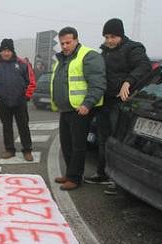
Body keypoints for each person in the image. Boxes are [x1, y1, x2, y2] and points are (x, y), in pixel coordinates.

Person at [84, 18, 151, 195]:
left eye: (112, 36)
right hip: (104, 102)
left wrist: (128, 82)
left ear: (120, 35)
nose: (109, 40)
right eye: (106, 37)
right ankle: (102, 173)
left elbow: (144, 66)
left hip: (122, 104)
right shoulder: (104, 51)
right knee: (103, 138)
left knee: (118, 141)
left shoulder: (133, 48)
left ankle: (118, 180)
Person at [51, 27, 106, 190]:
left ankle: (75, 178)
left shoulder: (88, 56)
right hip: (66, 109)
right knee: (66, 143)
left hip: (80, 109)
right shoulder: (61, 59)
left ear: (76, 39)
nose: (65, 46)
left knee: (78, 145)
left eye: (68, 42)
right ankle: (70, 173)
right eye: (62, 43)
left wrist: (87, 104)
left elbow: (97, 83)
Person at [0, 39, 36, 161]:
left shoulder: (23, 63)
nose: (6, 53)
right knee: (6, 127)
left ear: (12, 51)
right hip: (3, 102)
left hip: (20, 101)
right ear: (0, 51)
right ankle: (9, 149)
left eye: (8, 50)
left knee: (23, 126)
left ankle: (27, 150)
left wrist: (26, 97)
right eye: (4, 51)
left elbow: (31, 82)